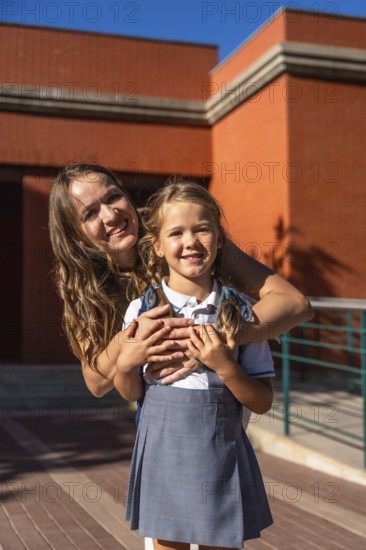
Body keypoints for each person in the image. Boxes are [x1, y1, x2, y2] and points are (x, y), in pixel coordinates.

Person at [48, 163, 312, 398]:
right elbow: (95, 382)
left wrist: (208, 341)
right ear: (76, 236)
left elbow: (295, 303)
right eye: (90, 214)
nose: (110, 214)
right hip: (159, 413)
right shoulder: (81, 282)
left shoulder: (181, 233)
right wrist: (132, 340)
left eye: (114, 196)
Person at [115, 180, 275, 549]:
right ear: (156, 245)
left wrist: (226, 366)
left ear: (219, 239)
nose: (190, 241)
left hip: (221, 451)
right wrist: (127, 364)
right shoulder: (140, 311)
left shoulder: (242, 313)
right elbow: (130, 391)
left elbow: (262, 402)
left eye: (202, 229)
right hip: (162, 448)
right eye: (176, 232)